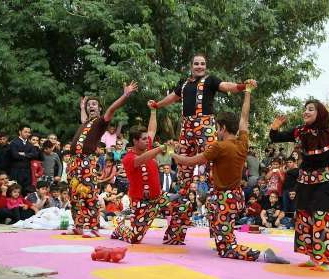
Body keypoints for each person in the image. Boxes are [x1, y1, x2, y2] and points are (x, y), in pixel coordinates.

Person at [171, 83, 287, 263]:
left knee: (226, 250)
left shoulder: (219, 146)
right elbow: (244, 118)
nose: (216, 131)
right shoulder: (242, 142)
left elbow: (191, 161)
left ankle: (262, 255)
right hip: (232, 198)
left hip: (224, 199)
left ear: (223, 128)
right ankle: (223, 238)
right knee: (220, 230)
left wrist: (173, 154)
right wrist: (247, 93)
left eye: (217, 127)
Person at [147, 54, 257, 205]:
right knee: (183, 166)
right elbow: (172, 97)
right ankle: (183, 199)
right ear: (191, 66)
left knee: (212, 162)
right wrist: (157, 105)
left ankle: (215, 199)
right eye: (197, 64)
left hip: (205, 126)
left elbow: (226, 86)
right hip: (186, 127)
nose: (200, 66)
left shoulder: (211, 80)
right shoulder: (185, 84)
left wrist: (243, 86)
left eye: (203, 64)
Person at [269, 99, 329, 271]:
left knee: (321, 218)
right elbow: (275, 138)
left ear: (320, 114)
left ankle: (325, 261)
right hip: (305, 182)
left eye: (311, 109)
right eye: (305, 109)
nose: (306, 112)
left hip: (325, 182)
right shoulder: (300, 132)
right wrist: (275, 126)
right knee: (304, 217)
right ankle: (312, 257)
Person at [111, 108, 193, 245]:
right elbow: (141, 159)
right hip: (141, 202)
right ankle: (120, 228)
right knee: (134, 239)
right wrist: (160, 148)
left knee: (184, 204)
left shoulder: (147, 148)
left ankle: (172, 238)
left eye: (146, 139)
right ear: (135, 141)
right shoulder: (128, 158)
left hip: (159, 198)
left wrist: (153, 111)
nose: (147, 140)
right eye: (143, 139)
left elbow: (151, 130)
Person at [67, 81, 138, 238]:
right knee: (74, 194)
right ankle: (78, 226)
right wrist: (82, 107)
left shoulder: (101, 122)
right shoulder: (86, 121)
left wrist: (124, 95)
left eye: (94, 104)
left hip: (87, 161)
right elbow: (83, 116)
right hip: (74, 162)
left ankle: (94, 227)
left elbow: (112, 108)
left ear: (99, 109)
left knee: (89, 194)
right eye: (89, 105)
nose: (91, 106)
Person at [9, 125, 39, 195]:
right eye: (25, 132)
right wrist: (28, 155)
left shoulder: (30, 144)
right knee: (16, 190)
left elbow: (35, 155)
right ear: (20, 132)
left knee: (26, 190)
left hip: (27, 170)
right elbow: (15, 155)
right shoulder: (14, 142)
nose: (28, 134)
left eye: (29, 132)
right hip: (16, 170)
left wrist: (23, 154)